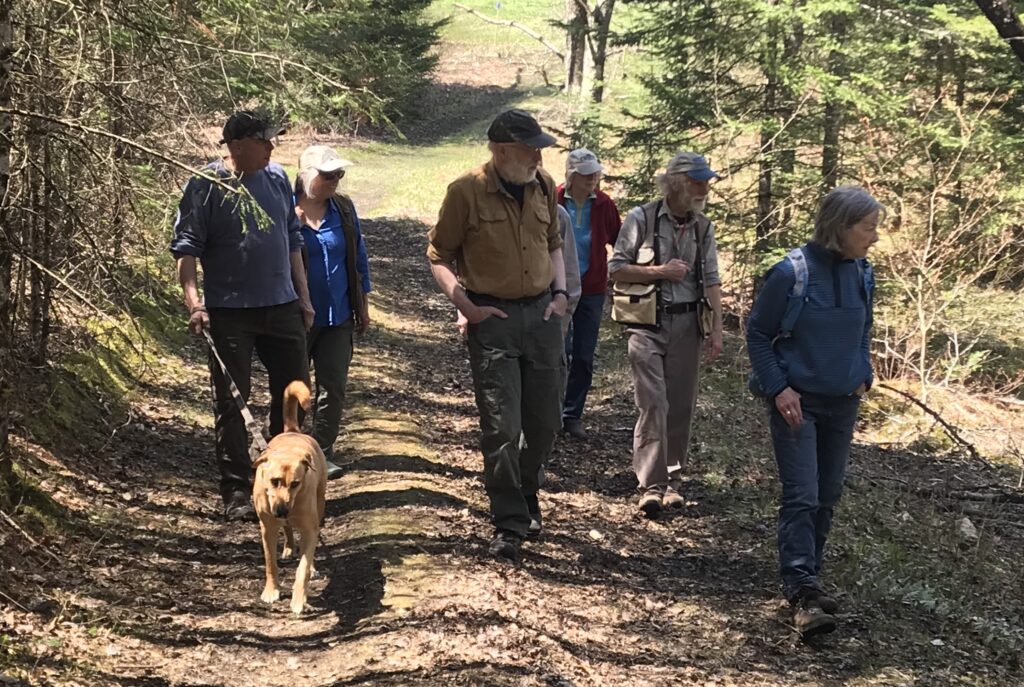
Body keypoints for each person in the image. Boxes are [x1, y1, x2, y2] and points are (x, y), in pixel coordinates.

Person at [427, 109, 568, 560]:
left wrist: (561, 294)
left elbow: (553, 244)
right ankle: (509, 519)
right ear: (503, 149)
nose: (539, 156)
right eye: (531, 148)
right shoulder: (465, 191)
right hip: (495, 322)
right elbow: (438, 255)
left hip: (544, 318)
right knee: (502, 427)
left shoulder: (543, 185)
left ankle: (527, 492)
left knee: (545, 424)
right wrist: (465, 305)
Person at [746, 185, 879, 638]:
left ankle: (812, 578)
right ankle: (801, 590)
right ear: (841, 227)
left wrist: (865, 372)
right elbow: (758, 334)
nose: (874, 237)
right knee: (802, 493)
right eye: (868, 228)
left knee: (828, 493)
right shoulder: (791, 273)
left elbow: (864, 328)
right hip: (797, 404)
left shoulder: (863, 272)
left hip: (843, 402)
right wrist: (780, 388)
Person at [170, 109, 314, 521]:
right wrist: (195, 304)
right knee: (233, 402)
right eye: (263, 141)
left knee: (294, 392)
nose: (272, 147)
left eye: (272, 141)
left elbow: (292, 240)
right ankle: (236, 488)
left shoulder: (276, 178)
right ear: (237, 146)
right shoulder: (206, 184)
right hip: (229, 312)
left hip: (282, 305)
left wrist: (303, 298)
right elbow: (187, 250)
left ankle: (285, 473)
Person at [608, 152, 724, 518]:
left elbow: (713, 280)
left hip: (688, 325)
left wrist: (717, 329)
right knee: (653, 402)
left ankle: (673, 482)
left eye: (706, 182)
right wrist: (660, 271)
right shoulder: (640, 218)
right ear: (676, 183)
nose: (704, 189)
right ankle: (650, 485)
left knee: (681, 404)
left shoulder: (703, 228)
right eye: (697, 182)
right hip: (645, 325)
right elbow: (615, 269)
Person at [294, 144, 371, 481]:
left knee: (334, 386)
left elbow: (358, 258)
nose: (336, 181)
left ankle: (322, 452)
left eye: (340, 174)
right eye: (329, 175)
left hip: (338, 315)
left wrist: (362, 305)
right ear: (308, 175)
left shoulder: (343, 209)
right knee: (295, 386)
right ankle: (290, 451)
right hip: (296, 317)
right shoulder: (285, 209)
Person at [557, 149, 621, 439]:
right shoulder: (553, 199)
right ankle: (550, 412)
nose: (593, 179)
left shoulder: (604, 204)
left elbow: (619, 239)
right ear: (572, 176)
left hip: (592, 288)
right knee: (560, 351)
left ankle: (572, 414)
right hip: (558, 287)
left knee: (583, 355)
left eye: (595, 174)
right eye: (586, 175)